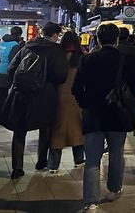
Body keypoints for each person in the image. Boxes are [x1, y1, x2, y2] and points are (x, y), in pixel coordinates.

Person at [73, 23, 135, 211]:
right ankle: (114, 189)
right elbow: (134, 87)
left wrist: (85, 103)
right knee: (116, 153)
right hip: (118, 115)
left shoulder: (88, 59)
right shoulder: (125, 60)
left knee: (92, 159)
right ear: (117, 39)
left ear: (98, 39)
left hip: (93, 114)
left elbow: (76, 88)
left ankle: (90, 201)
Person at [2, 22, 68, 179]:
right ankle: (41, 161)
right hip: (45, 95)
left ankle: (17, 168)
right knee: (45, 127)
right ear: (54, 35)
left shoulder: (26, 47)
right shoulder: (56, 50)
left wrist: (18, 84)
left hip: (22, 94)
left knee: (19, 131)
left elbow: (11, 68)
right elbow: (61, 76)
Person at [48, 32, 85, 174]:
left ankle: (53, 165)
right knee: (78, 131)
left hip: (58, 98)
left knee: (57, 132)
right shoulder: (81, 58)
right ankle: (79, 160)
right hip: (76, 99)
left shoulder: (58, 56)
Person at [0, 26, 23, 121]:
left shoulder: (3, 42)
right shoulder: (15, 45)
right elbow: (13, 62)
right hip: (4, 74)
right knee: (2, 97)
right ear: (19, 35)